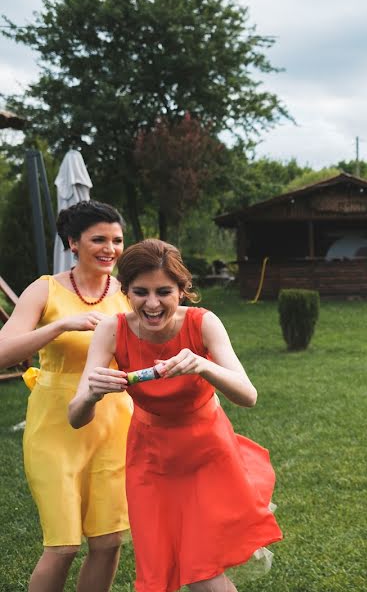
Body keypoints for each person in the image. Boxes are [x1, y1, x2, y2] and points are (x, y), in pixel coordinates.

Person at [68, 239, 282, 592]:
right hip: (151, 463)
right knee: (159, 573)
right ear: (125, 291)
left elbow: (248, 395)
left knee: (201, 571)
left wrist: (201, 365)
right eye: (140, 292)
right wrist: (90, 393)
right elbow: (76, 417)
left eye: (164, 291)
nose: (152, 304)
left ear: (182, 290)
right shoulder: (111, 330)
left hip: (207, 457)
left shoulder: (203, 323)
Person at [0, 200, 130, 592]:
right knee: (63, 545)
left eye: (117, 240)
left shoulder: (126, 291)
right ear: (73, 242)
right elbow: (4, 351)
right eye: (99, 240)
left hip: (115, 425)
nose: (110, 249)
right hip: (55, 425)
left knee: (108, 542)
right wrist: (60, 326)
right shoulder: (45, 289)